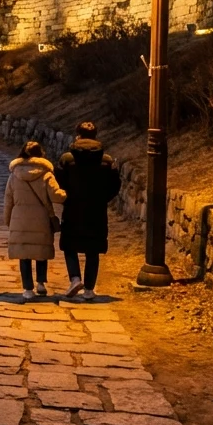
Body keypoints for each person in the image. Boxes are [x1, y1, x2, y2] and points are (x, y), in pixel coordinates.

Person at [55, 121, 122, 300]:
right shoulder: (106, 160)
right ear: (95, 136)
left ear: (78, 135)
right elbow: (115, 185)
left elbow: (58, 181)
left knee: (69, 245)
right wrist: (102, 198)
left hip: (73, 208)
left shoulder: (67, 159)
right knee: (93, 248)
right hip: (96, 210)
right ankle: (90, 289)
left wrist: (67, 196)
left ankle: (75, 278)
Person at [3, 141, 66, 301]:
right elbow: (56, 196)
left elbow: (8, 199)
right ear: (40, 154)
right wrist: (66, 194)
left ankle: (27, 288)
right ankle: (41, 283)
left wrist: (7, 219)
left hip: (20, 218)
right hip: (41, 218)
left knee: (24, 254)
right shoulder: (46, 174)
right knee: (40, 251)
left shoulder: (14, 174)